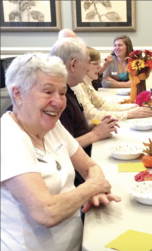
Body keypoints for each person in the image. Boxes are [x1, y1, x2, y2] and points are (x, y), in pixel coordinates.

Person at [1, 53, 121, 251]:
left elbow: (90, 166)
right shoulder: (8, 138)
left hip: (78, 243)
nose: (58, 102)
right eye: (48, 92)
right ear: (17, 94)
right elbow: (46, 212)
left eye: (62, 93)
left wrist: (94, 187)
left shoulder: (51, 126)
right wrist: (92, 188)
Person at [49, 37, 120, 186]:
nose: (88, 68)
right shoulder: (59, 101)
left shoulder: (69, 90)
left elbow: (72, 132)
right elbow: (60, 148)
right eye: (87, 62)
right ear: (74, 64)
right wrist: (95, 134)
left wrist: (94, 127)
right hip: (75, 176)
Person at [72, 47, 152, 121]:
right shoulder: (77, 85)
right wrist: (129, 114)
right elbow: (91, 115)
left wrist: (132, 107)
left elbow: (102, 104)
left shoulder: (86, 81)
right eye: (95, 64)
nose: (100, 67)